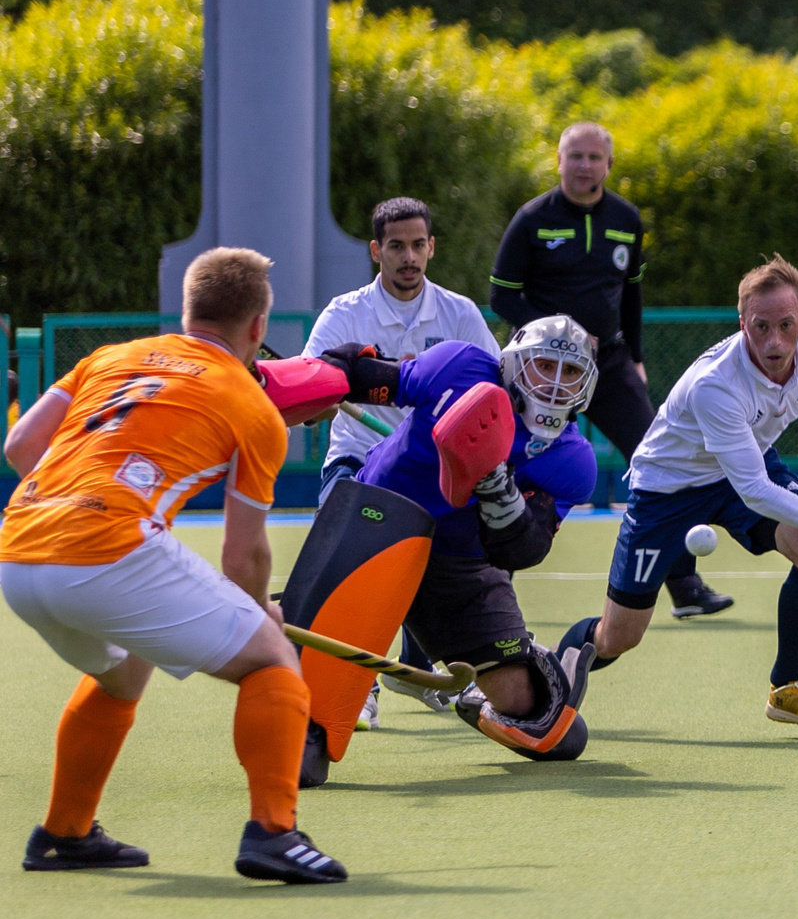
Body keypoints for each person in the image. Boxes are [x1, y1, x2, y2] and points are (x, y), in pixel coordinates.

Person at [3, 248, 347, 884]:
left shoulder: (110, 358)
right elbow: (242, 553)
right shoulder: (251, 406)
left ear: (187, 312)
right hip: (105, 552)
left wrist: (77, 509)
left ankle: (63, 834)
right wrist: (258, 610)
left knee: (125, 673)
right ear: (257, 328)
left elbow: (20, 445)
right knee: (273, 660)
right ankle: (275, 833)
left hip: (19, 550)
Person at [558, 256, 798, 733]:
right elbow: (755, 491)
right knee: (619, 635)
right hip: (668, 486)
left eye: (786, 326)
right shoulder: (717, 384)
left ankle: (788, 688)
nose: (774, 341)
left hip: (744, 459)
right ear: (742, 323)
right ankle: (544, 675)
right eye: (761, 326)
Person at [298, 316, 601, 781]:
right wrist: (311, 383)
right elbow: (370, 378)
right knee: (304, 756)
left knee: (545, 723)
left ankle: (480, 700)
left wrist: (501, 494)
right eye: (543, 365)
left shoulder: (572, 459)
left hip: (461, 561)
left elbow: (523, 550)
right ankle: (310, 723)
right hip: (378, 521)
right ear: (515, 363)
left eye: (571, 373)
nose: (556, 383)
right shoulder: (461, 366)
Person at [490, 122, 732, 620]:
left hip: (610, 365)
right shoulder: (532, 219)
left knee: (660, 463)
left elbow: (633, 295)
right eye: (574, 156)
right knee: (505, 463)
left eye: (594, 158)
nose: (584, 166)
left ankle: (684, 585)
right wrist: (558, 332)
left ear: (609, 165)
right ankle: (492, 585)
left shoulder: (625, 219)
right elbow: (501, 294)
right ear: (558, 161)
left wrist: (637, 357)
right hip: (540, 373)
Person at [304, 197, 502, 726]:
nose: (408, 257)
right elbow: (315, 391)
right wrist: (319, 396)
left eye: (418, 245)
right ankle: (356, 681)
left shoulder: (459, 313)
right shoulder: (345, 315)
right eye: (396, 246)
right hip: (358, 461)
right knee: (349, 565)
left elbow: (493, 387)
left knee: (467, 565)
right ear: (377, 251)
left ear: (432, 247)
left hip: (437, 471)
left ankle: (419, 668)